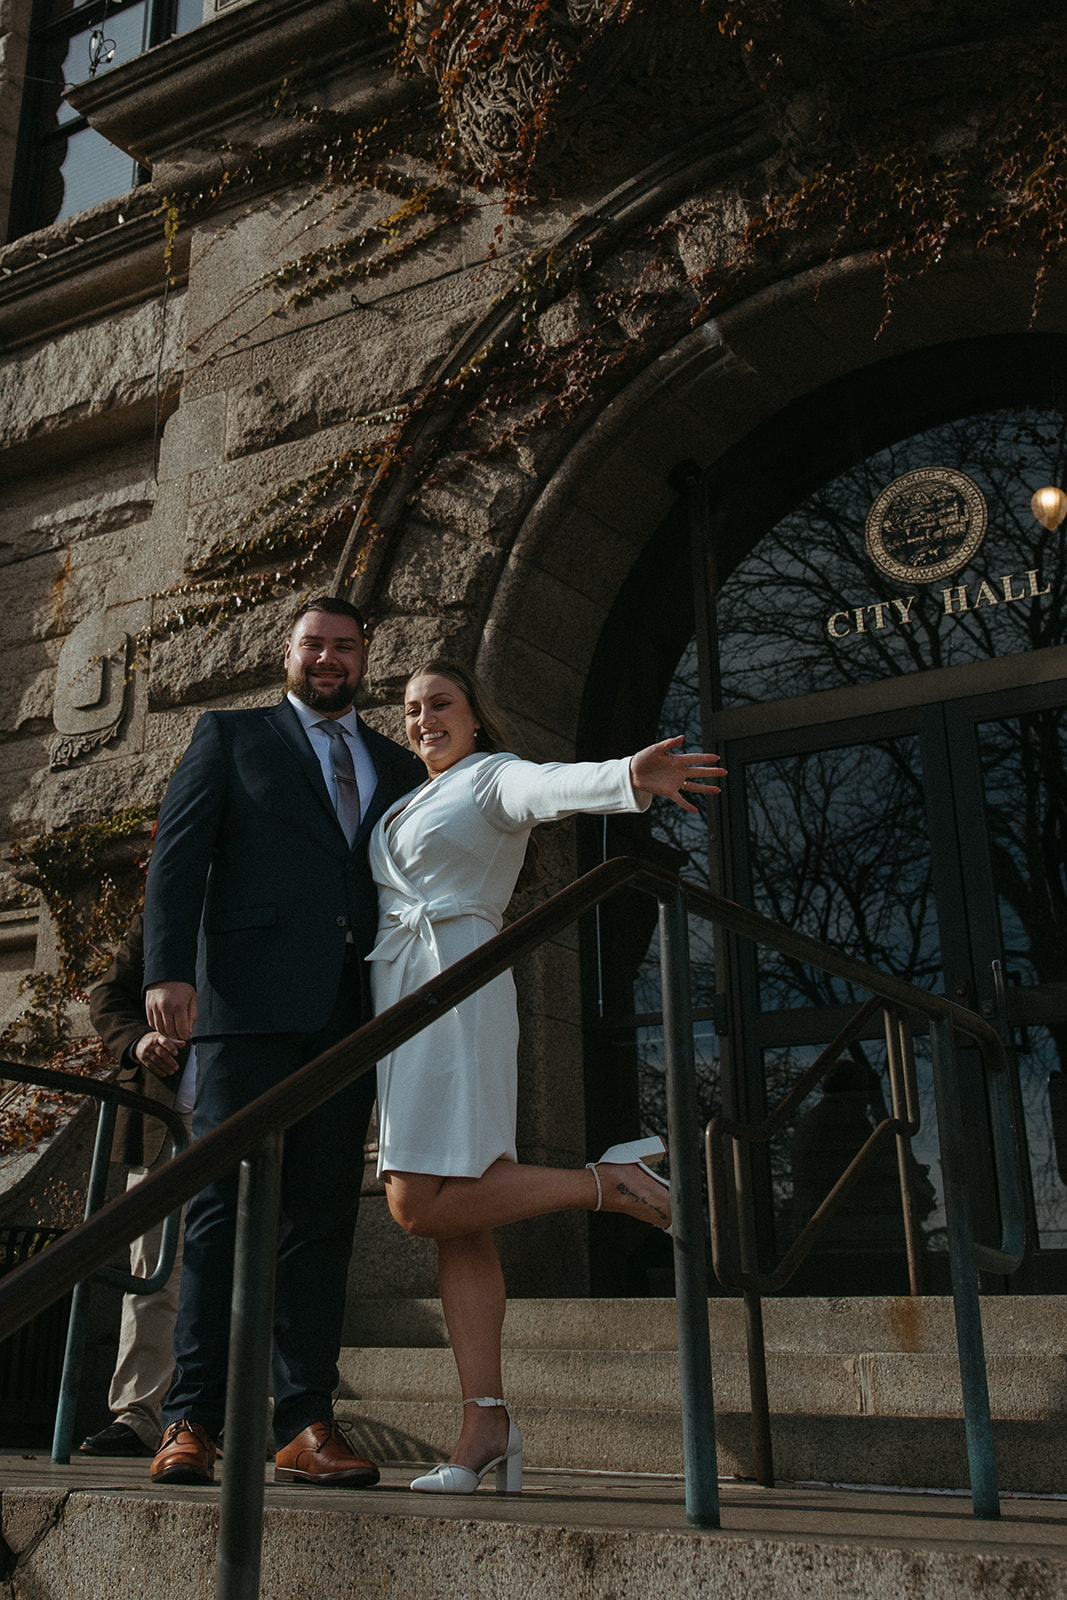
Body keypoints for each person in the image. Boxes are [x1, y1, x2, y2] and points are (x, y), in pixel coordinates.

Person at [367, 659, 726, 1494]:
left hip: (455, 991)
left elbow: (546, 788)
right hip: (401, 998)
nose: (424, 720)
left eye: (441, 704)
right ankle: (483, 1424)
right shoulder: (406, 799)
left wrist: (626, 778)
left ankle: (607, 1183)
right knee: (462, 1217)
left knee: (418, 1202)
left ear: (477, 716)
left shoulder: (491, 776)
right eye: (413, 710)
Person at [142, 595, 422, 1487]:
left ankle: (302, 1422)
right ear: (287, 653)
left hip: (352, 1013)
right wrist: (166, 972)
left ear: (364, 657)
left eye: (345, 646)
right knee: (220, 1210)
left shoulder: (394, 762)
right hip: (244, 1011)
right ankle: (189, 1419)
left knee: (321, 1218)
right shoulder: (229, 735)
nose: (329, 658)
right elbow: (177, 860)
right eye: (314, 645)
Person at [78, 912, 195, 1458]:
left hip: (245, 1116)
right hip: (164, 1124)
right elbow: (107, 995)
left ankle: (221, 1415)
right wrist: (139, 1040)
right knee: (152, 1268)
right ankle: (138, 1415)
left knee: (248, 1267)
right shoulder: (162, 913)